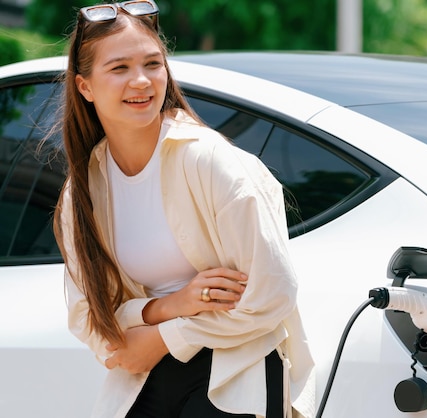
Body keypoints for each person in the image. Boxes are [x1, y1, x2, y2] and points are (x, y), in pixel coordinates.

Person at [52, 1, 315, 417]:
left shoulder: (210, 162)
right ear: (85, 87)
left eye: (152, 64)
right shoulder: (84, 191)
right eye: (119, 68)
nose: (140, 81)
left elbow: (272, 294)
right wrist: (171, 305)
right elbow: (89, 318)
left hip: (234, 368)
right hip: (148, 377)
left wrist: (162, 336)